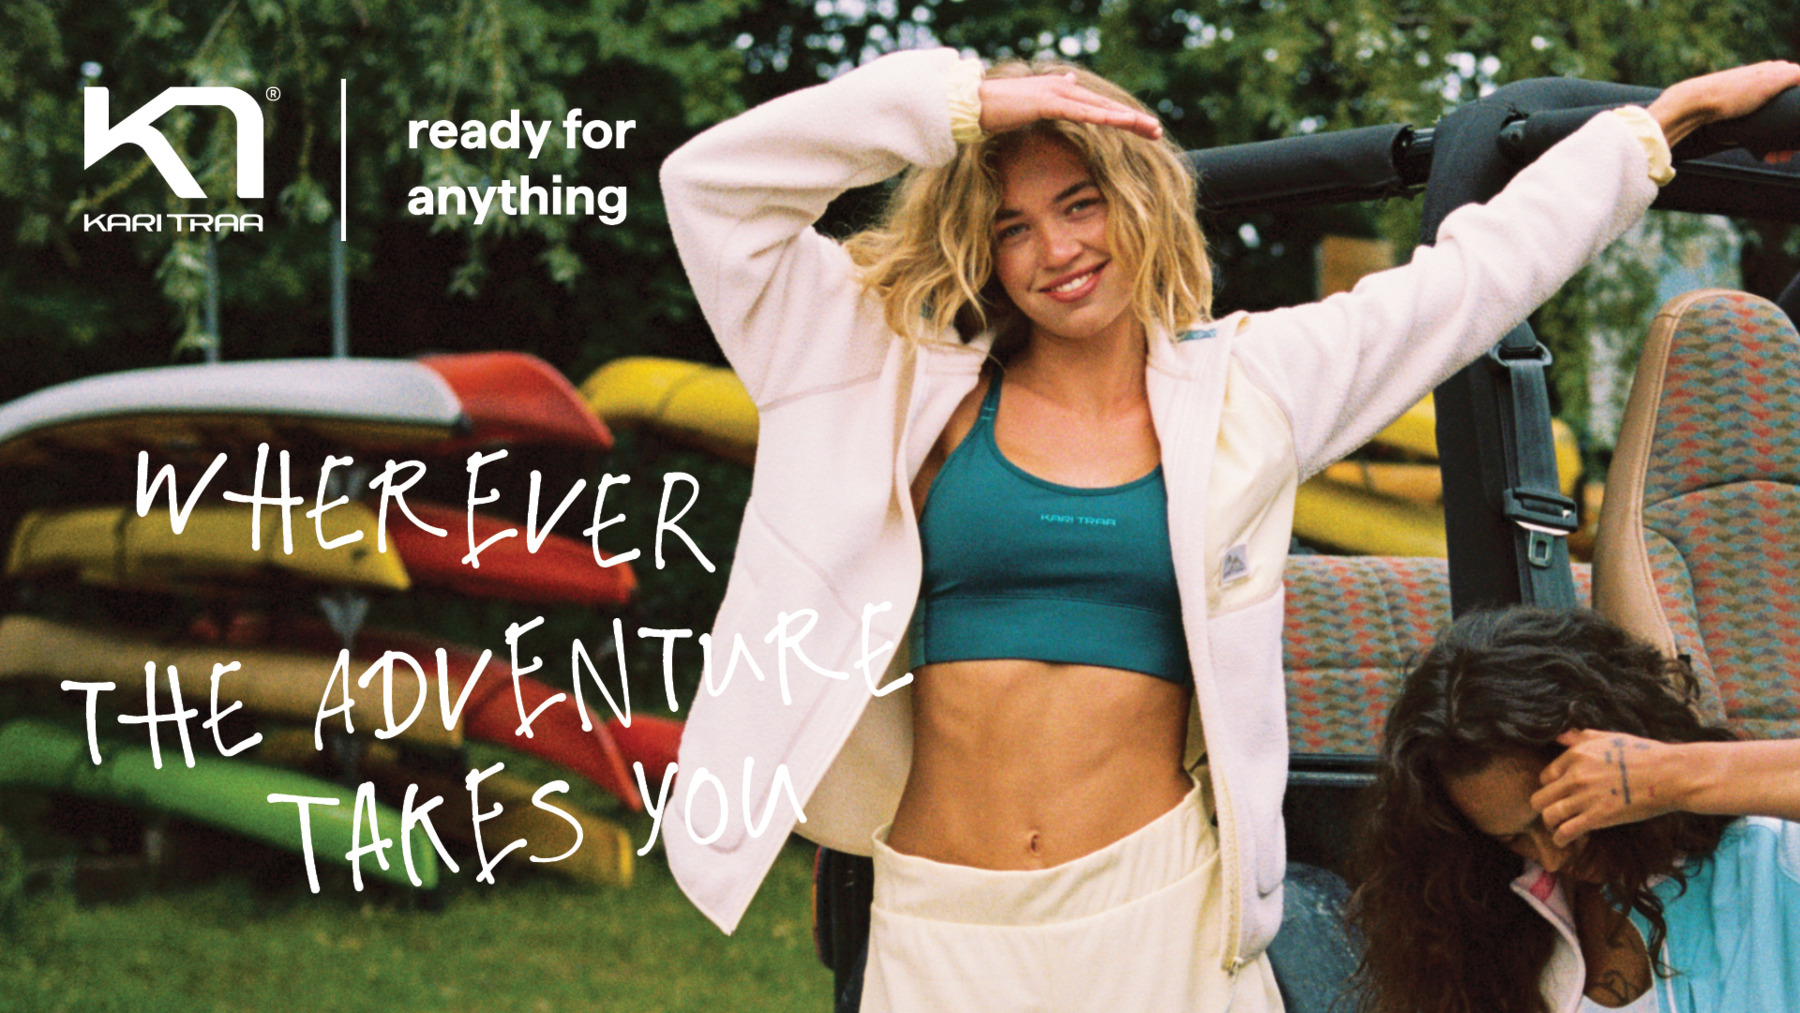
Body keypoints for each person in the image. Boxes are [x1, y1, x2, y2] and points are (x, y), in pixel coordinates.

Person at [656, 40, 1800, 1013]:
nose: (1056, 251)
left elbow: (1472, 281)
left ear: (1138, 197)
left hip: (1161, 917)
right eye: (1013, 225)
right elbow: (712, 188)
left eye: (1080, 202)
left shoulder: (1251, 385)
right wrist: (959, 101)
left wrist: (1656, 131)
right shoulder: (883, 375)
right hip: (941, 921)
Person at [1350, 607, 1800, 1013]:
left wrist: (1673, 774)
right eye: (1513, 838)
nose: (1549, 856)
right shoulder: (1481, 919)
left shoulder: (1770, 861)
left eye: (1563, 813)